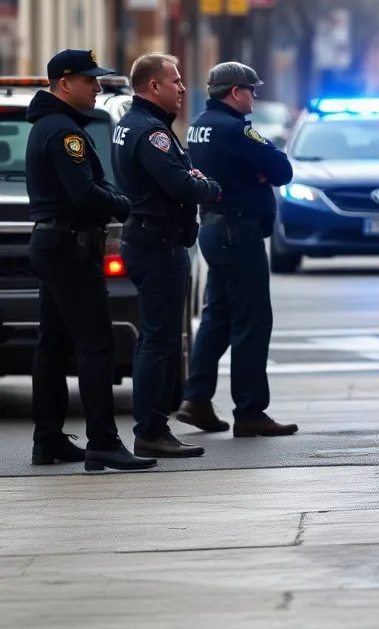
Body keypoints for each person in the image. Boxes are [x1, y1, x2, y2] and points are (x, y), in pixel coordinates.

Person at [24, 49, 156, 472]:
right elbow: (85, 194)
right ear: (65, 84)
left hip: (54, 246)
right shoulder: (66, 133)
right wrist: (123, 203)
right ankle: (103, 441)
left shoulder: (51, 125)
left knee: (55, 345)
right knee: (96, 343)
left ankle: (48, 441)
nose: (98, 88)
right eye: (90, 80)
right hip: (71, 249)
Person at [174, 62, 297, 438]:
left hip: (215, 229)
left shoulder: (199, 125)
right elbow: (281, 169)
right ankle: (250, 410)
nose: (254, 97)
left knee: (219, 315)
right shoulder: (235, 129)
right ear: (234, 92)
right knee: (252, 319)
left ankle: (196, 398)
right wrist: (258, 173)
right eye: (251, 90)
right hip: (237, 232)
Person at [111, 53, 222, 458]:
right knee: (159, 342)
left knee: (154, 340)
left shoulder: (133, 124)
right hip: (157, 244)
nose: (181, 87)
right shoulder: (150, 132)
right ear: (153, 86)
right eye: (174, 81)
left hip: (149, 240)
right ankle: (152, 430)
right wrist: (208, 187)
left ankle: (152, 427)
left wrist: (191, 179)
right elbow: (181, 185)